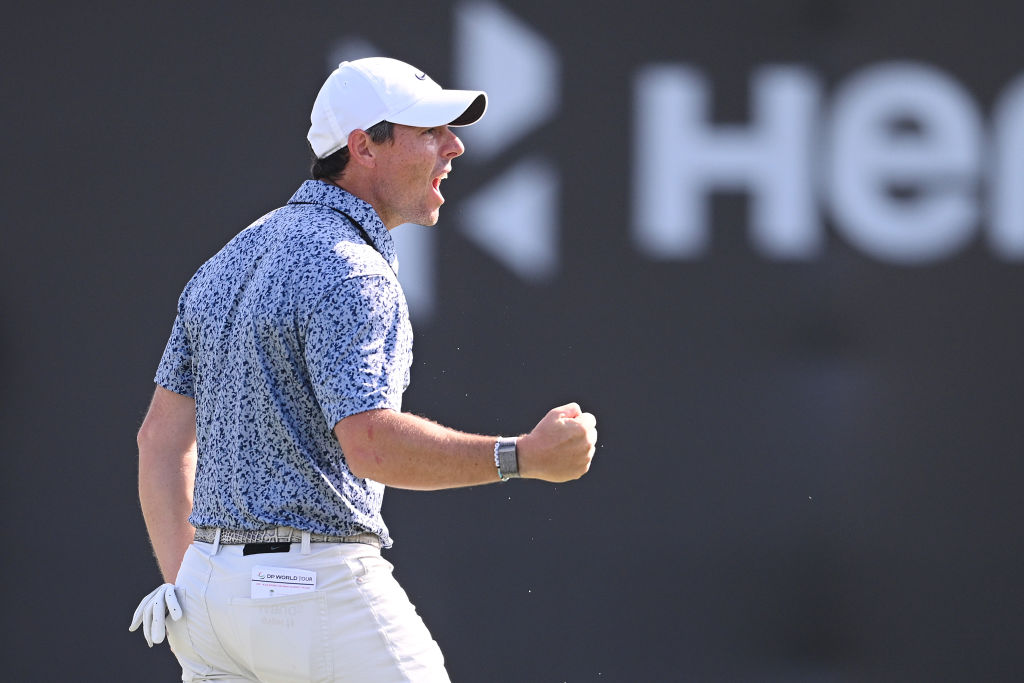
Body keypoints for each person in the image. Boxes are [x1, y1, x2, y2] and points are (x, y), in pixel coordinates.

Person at [129, 56, 598, 682]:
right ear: (364, 147)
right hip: (314, 594)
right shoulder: (352, 268)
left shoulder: (228, 261)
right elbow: (372, 445)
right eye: (430, 132)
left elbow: (158, 440)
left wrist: (189, 582)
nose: (454, 147)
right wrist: (523, 456)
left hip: (210, 604)